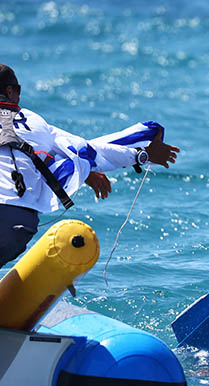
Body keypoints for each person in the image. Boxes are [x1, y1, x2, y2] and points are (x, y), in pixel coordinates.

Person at [0, 63, 180, 269]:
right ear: (10, 91)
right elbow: (85, 151)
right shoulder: (35, 122)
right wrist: (142, 154)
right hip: (18, 224)